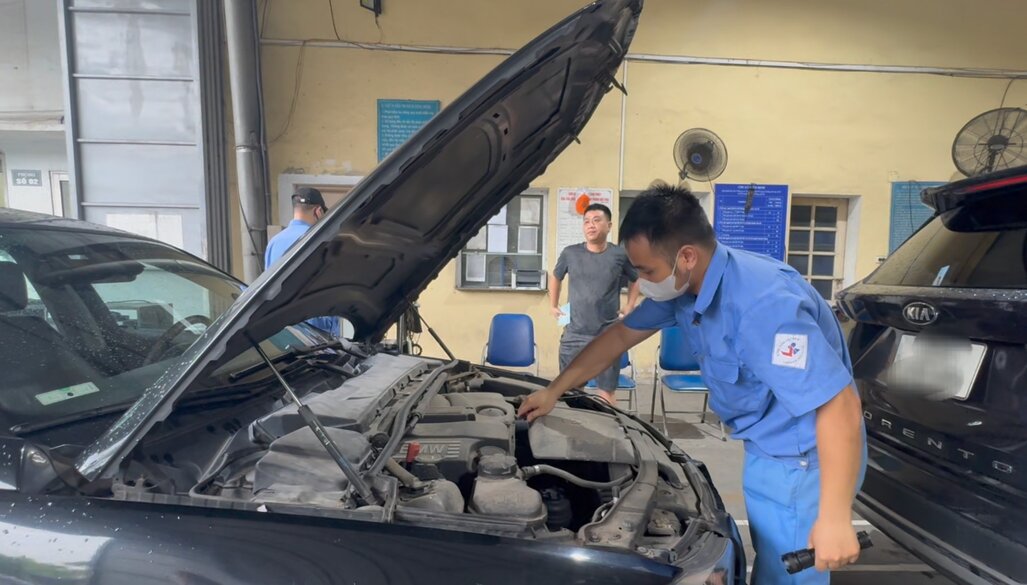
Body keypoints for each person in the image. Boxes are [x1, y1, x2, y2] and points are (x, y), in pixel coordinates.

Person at [520, 182, 867, 584]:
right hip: (766, 448)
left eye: (648, 271)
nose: (643, 282)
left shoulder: (762, 305)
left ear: (686, 256)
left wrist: (835, 516)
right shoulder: (687, 287)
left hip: (805, 458)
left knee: (789, 576)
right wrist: (554, 390)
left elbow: (838, 406)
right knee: (771, 563)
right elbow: (618, 337)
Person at [549, 203, 640, 405]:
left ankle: (608, 433)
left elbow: (637, 278)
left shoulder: (619, 255)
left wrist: (630, 305)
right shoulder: (570, 253)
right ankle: (571, 430)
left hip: (607, 334)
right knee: (570, 390)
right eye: (586, 221)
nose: (590, 225)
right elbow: (556, 276)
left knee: (605, 392)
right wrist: (553, 305)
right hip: (575, 333)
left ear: (608, 225)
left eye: (596, 220)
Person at [264, 187, 340, 337]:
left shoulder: (274, 243)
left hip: (283, 334)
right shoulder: (321, 241)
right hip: (317, 336)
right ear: (318, 211)